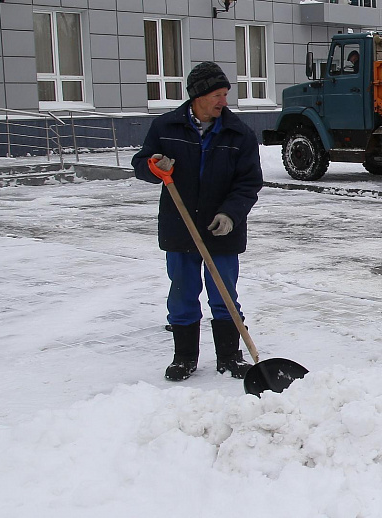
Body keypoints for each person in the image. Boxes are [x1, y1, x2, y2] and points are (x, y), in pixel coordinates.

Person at [132, 61, 263, 382]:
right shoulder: (166, 128)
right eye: (217, 95)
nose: (223, 101)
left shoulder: (239, 134)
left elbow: (249, 183)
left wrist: (230, 215)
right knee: (182, 292)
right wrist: (153, 165)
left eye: (225, 94)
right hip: (180, 228)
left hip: (222, 231)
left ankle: (230, 356)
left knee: (224, 294)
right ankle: (184, 358)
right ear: (197, 96)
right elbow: (141, 164)